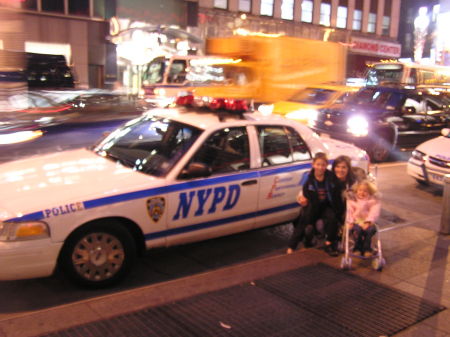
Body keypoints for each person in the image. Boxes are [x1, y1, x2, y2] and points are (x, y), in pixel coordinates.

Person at [295, 155, 357, 251]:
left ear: (349, 169)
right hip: (332, 210)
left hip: (348, 210)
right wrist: (301, 196)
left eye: (344, 167)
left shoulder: (353, 183)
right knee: (314, 218)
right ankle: (312, 236)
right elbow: (310, 188)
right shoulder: (330, 177)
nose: (340, 170)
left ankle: (337, 238)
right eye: (337, 167)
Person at [287, 152, 344, 256]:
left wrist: (339, 210)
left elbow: (337, 192)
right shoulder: (308, 178)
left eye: (323, 165)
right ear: (313, 164)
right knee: (303, 222)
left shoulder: (331, 177)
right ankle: (292, 246)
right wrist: (301, 199)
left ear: (326, 165)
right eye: (318, 164)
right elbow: (304, 193)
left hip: (327, 205)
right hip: (313, 205)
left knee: (333, 219)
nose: (320, 167)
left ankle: (329, 243)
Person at [345, 180, 381, 257]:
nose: (362, 193)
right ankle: (357, 248)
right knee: (357, 231)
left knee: (371, 230)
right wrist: (350, 222)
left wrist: (368, 221)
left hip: (368, 221)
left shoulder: (372, 201)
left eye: (365, 191)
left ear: (370, 192)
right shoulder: (352, 200)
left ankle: (367, 248)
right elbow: (349, 212)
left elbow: (374, 212)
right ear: (356, 191)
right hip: (356, 221)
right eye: (360, 190)